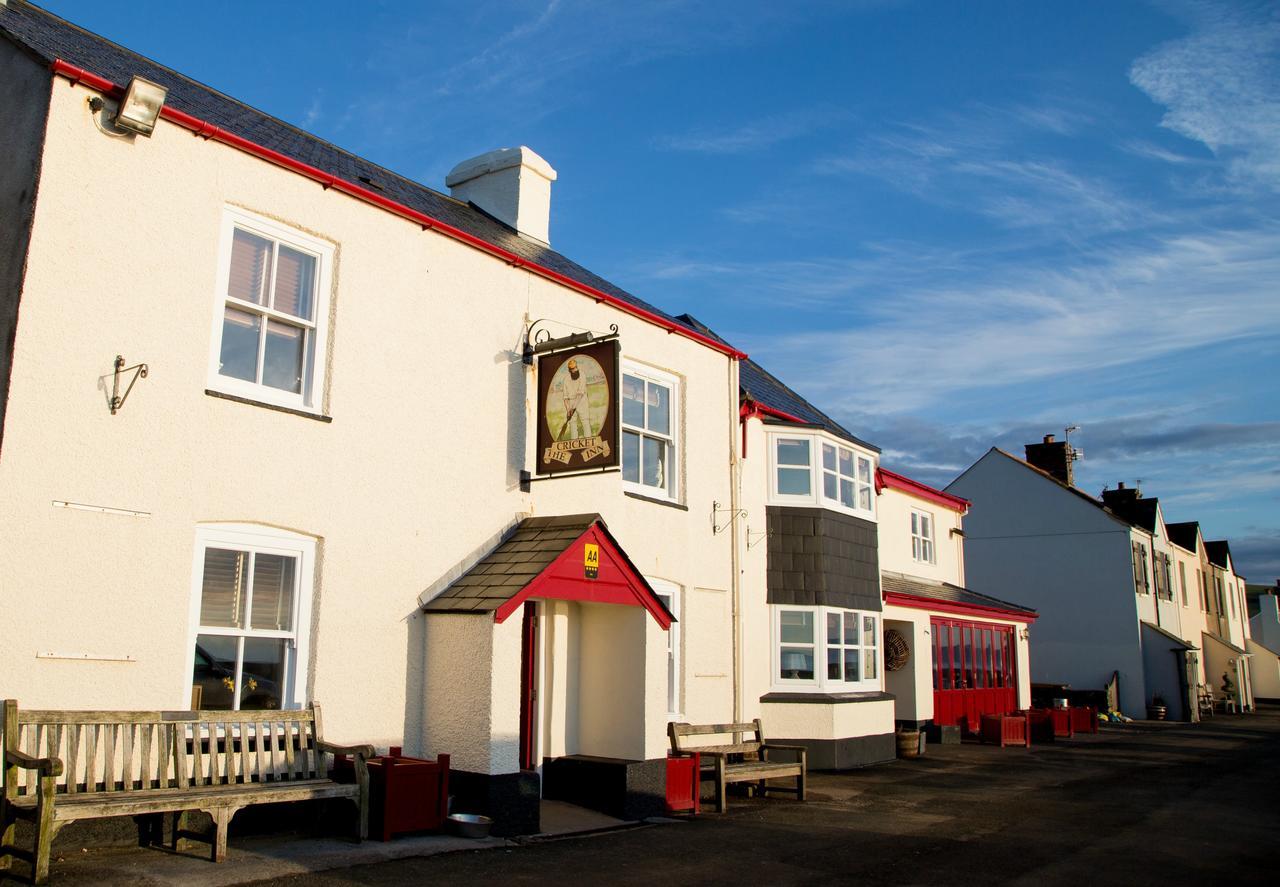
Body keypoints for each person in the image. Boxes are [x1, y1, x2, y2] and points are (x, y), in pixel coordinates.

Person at [558, 358, 592, 440]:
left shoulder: (582, 375)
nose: (575, 370)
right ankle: (574, 442)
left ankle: (588, 440)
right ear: (569, 370)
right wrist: (568, 409)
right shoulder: (566, 379)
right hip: (570, 402)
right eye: (573, 369)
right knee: (572, 423)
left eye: (576, 368)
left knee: (585, 421)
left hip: (582, 401)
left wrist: (573, 408)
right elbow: (565, 397)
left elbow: (580, 393)